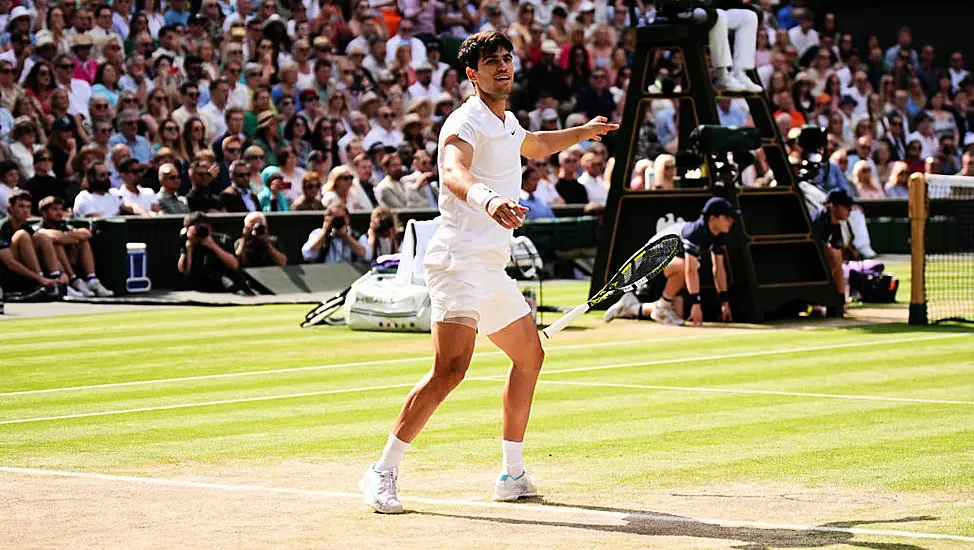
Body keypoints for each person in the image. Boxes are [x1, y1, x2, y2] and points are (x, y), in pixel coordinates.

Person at [359, 31, 617, 514]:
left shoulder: (509, 122)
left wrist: (583, 132)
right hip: (456, 263)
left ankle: (511, 474)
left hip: (492, 270)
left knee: (530, 357)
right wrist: (490, 199)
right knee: (450, 371)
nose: (503, 66)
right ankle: (381, 470)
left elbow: (537, 144)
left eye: (506, 58)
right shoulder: (464, 121)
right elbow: (454, 173)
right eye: (491, 61)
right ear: (472, 74)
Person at [603, 197, 737, 327]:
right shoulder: (695, 232)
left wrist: (724, 303)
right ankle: (660, 306)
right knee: (688, 266)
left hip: (667, 268)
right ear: (713, 218)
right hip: (648, 266)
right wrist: (696, 304)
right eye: (727, 218)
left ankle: (631, 307)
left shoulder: (717, 236)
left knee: (677, 313)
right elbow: (690, 270)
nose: (731, 221)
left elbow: (718, 269)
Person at [33, 195, 115, 297]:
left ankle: (91, 279)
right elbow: (56, 237)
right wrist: (72, 238)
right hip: (48, 267)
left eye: (61, 209)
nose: (59, 213)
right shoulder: (37, 227)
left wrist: (67, 237)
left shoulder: (64, 225)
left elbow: (86, 233)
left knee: (84, 242)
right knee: (58, 244)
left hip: (71, 259)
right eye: (54, 209)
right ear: (44, 212)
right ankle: (73, 281)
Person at [0, 191, 60, 299]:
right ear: (10, 208)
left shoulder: (27, 227)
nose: (25, 210)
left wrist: (63, 273)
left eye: (28, 207)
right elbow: (10, 263)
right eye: (21, 206)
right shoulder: (2, 227)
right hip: (5, 274)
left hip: (26, 273)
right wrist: (40, 278)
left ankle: (56, 279)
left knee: (41, 236)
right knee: (22, 235)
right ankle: (40, 282)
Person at [176, 211, 247, 293]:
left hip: (222, 283)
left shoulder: (223, 239)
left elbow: (234, 265)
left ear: (209, 227)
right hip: (196, 286)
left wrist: (213, 246)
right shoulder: (188, 242)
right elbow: (184, 271)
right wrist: (189, 249)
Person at [811, 189, 854, 312]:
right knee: (833, 254)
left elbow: (837, 251)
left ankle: (839, 302)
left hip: (818, 262)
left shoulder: (835, 223)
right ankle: (817, 300)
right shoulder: (819, 220)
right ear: (832, 206)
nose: (849, 211)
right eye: (846, 207)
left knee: (837, 254)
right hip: (804, 260)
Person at [301, 201, 370, 264]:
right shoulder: (318, 233)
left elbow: (367, 256)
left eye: (340, 218)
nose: (337, 221)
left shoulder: (357, 236)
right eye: (335, 218)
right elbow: (307, 254)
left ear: (347, 219)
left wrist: (345, 236)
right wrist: (324, 231)